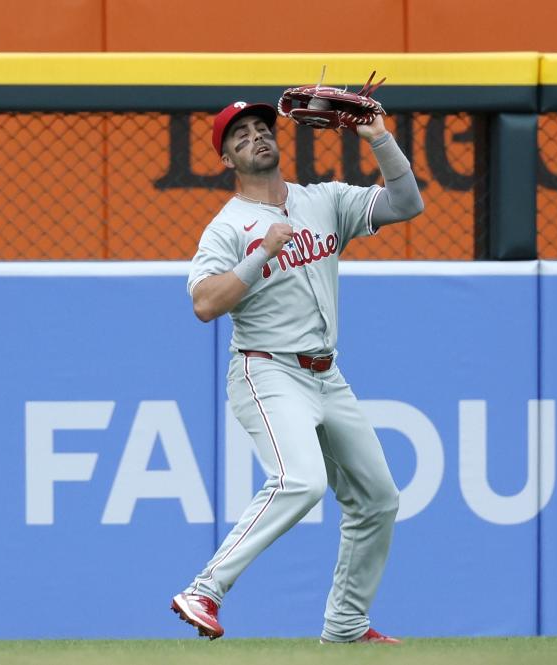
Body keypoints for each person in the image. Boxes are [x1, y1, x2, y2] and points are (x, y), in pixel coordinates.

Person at [171, 100, 423, 644]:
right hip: (267, 371)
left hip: (327, 376)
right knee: (300, 480)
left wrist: (379, 138)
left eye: (262, 128)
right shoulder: (227, 228)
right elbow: (205, 304)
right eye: (240, 135)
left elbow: (407, 203)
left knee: (379, 498)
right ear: (226, 158)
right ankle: (205, 590)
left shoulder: (324, 199)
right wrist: (258, 254)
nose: (256, 136)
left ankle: (347, 625)